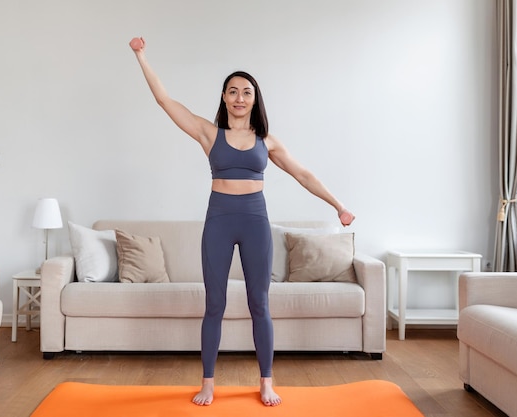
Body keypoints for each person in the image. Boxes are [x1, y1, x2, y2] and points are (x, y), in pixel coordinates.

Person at [129, 37, 355, 407]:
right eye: (232, 91)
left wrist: (338, 205)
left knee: (259, 304)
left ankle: (266, 382)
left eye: (246, 92)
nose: (238, 97)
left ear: (254, 99)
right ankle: (207, 383)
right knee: (214, 304)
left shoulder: (268, 141)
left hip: (255, 222)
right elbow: (165, 101)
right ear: (223, 97)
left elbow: (303, 174)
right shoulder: (209, 133)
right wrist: (141, 56)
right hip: (218, 220)